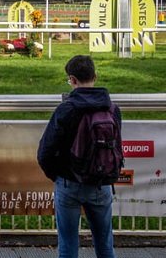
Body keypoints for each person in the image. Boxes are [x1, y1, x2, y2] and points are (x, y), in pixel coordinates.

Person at [37, 55, 121, 258]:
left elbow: (45, 151)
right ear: (96, 76)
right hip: (101, 185)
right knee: (105, 245)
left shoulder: (66, 109)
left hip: (69, 183)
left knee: (67, 245)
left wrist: (57, 176)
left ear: (72, 80)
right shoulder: (112, 109)